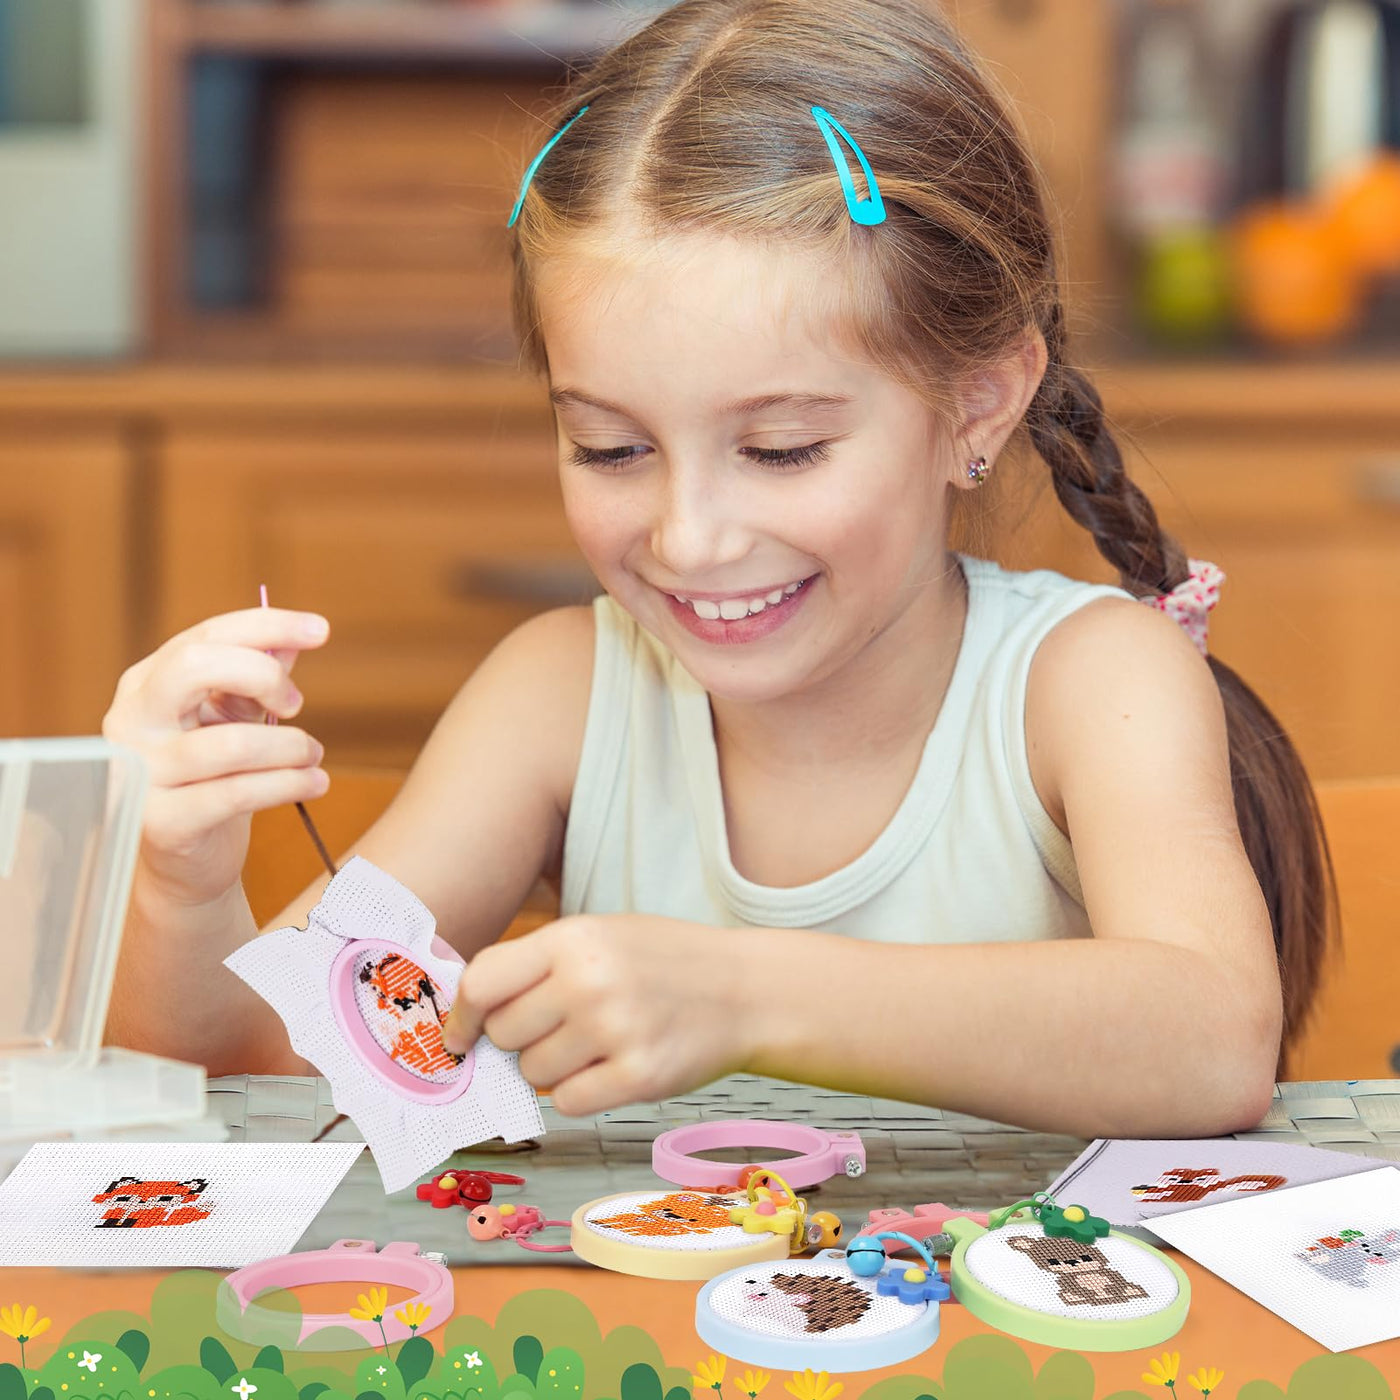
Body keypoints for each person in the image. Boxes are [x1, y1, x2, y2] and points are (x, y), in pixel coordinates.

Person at [102, 0, 1334, 1139]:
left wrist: (742, 993)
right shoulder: (561, 692)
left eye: (779, 448)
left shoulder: (1088, 680)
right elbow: (257, 1065)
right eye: (611, 446)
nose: (689, 537)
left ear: (976, 402)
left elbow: (1211, 1039)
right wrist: (178, 878)